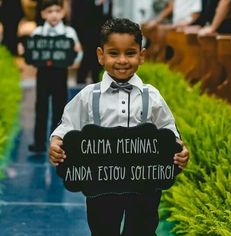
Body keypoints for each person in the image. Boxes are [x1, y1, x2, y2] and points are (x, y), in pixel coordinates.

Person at [49, 18, 189, 235]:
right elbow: (67, 125)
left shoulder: (151, 95)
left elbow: (168, 130)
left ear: (141, 55)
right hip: (100, 185)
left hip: (144, 183)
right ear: (100, 55)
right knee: (103, 229)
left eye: (130, 53)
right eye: (114, 53)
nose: (122, 60)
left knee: (142, 230)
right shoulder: (88, 96)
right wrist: (57, 143)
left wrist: (179, 149)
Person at [19, 0, 83, 152]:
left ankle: (58, 141)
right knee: (40, 107)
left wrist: (76, 59)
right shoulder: (37, 33)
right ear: (42, 14)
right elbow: (31, 52)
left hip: (61, 73)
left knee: (60, 109)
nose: (53, 14)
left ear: (62, 12)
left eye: (56, 10)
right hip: (42, 74)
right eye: (49, 11)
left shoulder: (69, 32)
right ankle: (39, 142)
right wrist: (25, 51)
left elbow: (78, 52)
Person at [70, 0, 112, 85]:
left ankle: (98, 84)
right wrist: (96, 3)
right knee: (84, 63)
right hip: (84, 34)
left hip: (100, 36)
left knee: (98, 62)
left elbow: (108, 16)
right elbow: (78, 15)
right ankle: (80, 86)